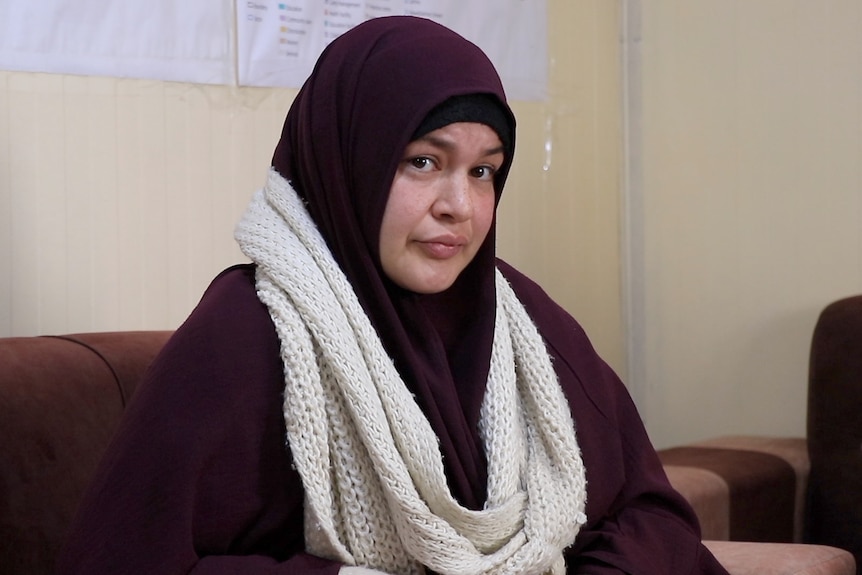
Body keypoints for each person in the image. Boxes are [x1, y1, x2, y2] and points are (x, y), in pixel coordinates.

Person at [57, 15, 729, 575]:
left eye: (485, 171)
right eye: (424, 162)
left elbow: (654, 515)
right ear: (350, 158)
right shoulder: (246, 335)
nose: (459, 206)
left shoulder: (520, 320)